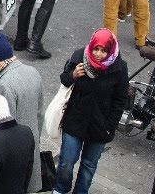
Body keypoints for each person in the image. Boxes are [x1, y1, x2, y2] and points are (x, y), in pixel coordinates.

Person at [54, 29, 129, 194]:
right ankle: (60, 188)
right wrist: (73, 74)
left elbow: (120, 99)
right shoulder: (80, 56)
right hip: (75, 120)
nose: (99, 54)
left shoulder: (119, 68)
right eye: (96, 49)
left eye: (104, 51)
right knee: (66, 162)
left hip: (100, 126)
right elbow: (64, 80)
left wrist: (110, 125)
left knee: (88, 165)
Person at [0, 34, 45, 194]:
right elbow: (39, 115)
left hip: (13, 160)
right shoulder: (32, 72)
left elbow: (4, 130)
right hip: (31, 147)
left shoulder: (3, 86)